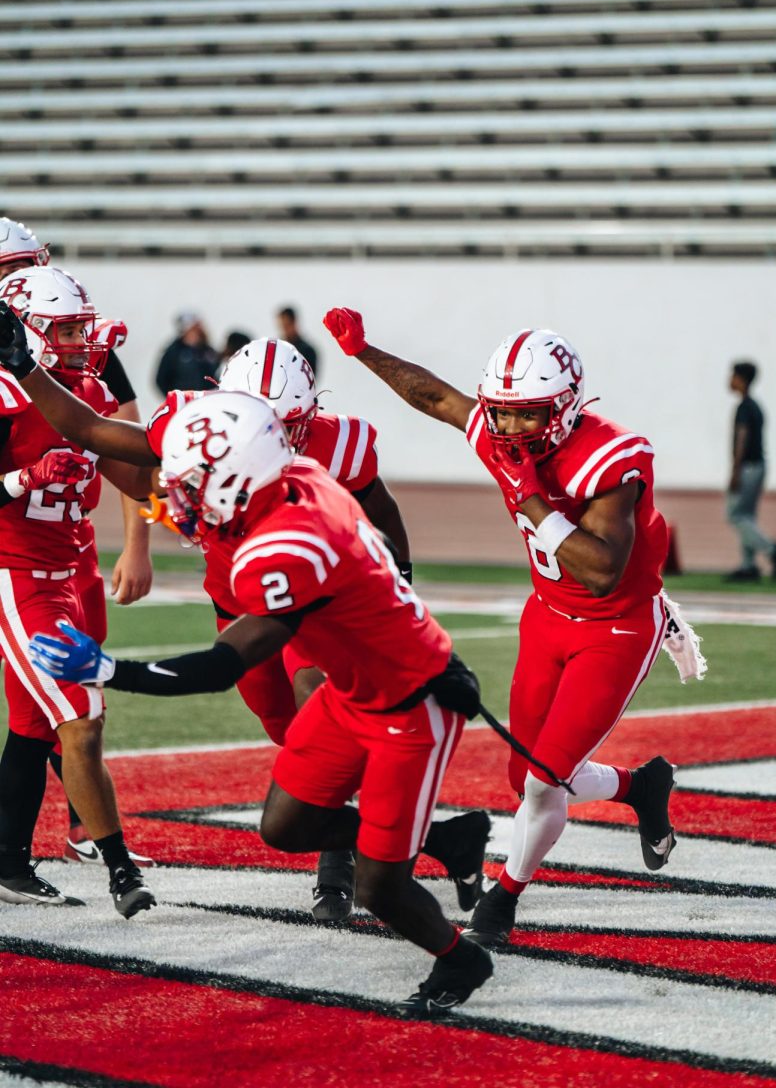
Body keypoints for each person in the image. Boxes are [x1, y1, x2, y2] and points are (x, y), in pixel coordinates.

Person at [30, 391, 494, 1017]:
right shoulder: (296, 475)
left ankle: (462, 958)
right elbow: (371, 546)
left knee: (378, 887)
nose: (177, 495)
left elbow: (224, 665)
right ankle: (445, 840)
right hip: (354, 688)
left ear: (239, 482)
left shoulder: (283, 549)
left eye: (194, 484)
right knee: (285, 826)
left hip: (411, 704)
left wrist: (113, 670)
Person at [0, 322, 421, 924]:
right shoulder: (195, 425)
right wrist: (28, 368)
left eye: (283, 424)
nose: (266, 437)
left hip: (309, 600)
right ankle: (399, 832)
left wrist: (399, 580)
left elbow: (380, 507)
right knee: (282, 724)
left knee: (314, 708)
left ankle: (339, 865)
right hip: (238, 601)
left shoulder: (334, 452)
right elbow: (94, 431)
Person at [323, 308, 691, 949]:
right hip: (547, 618)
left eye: (530, 413)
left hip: (617, 628)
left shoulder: (611, 458)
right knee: (525, 780)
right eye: (504, 412)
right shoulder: (499, 431)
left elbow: (603, 571)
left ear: (568, 408)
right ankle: (641, 785)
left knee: (546, 781)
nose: (513, 426)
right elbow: (434, 395)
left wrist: (530, 498)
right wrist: (363, 352)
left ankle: (502, 900)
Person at [0, 266, 156, 918]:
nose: (76, 339)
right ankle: (120, 870)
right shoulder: (6, 394)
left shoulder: (86, 389)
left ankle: (9, 862)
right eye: (62, 328)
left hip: (72, 570)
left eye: (77, 326)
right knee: (78, 716)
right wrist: (25, 478)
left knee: (38, 726)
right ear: (29, 332)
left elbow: (134, 473)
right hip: (18, 573)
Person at [725, 361, 776, 582]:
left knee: (736, 515)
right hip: (758, 466)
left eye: (732, 376)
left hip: (747, 467)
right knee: (747, 516)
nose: (729, 380)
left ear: (741, 379)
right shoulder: (755, 406)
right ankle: (748, 566)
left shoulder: (744, 407)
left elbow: (742, 438)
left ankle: (772, 550)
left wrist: (735, 469)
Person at [154, 312, 218, 395]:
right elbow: (161, 380)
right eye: (194, 328)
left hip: (206, 401)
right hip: (185, 403)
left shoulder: (208, 351)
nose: (199, 330)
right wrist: (175, 398)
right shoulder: (174, 352)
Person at [276, 306, 318, 375]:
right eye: (281, 326)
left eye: (286, 325)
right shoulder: (278, 349)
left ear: (294, 322)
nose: (284, 330)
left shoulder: (308, 351)